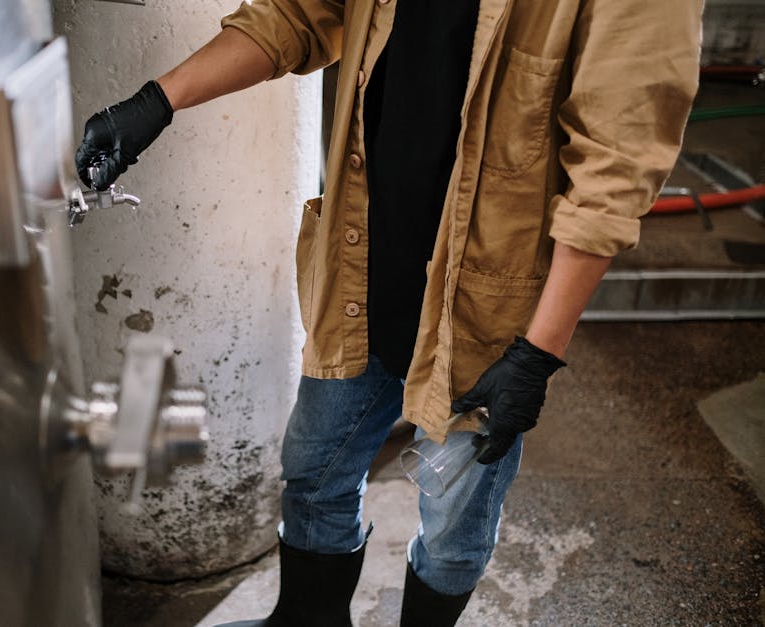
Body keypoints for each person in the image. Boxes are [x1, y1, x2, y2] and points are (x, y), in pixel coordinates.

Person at [74, 1, 702, 624]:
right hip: (361, 268)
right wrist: (160, 100)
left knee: (454, 521)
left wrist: (538, 354)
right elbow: (296, 14)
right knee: (314, 473)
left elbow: (613, 170)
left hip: (483, 309)